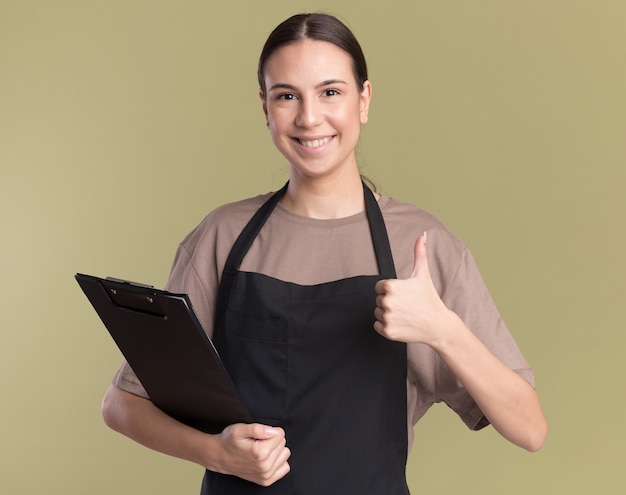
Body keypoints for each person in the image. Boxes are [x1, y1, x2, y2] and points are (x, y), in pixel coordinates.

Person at [102, 12, 547, 494]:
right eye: (287, 95)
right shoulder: (222, 237)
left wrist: (443, 329)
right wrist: (219, 454)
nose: (309, 117)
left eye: (330, 92)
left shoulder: (421, 246)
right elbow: (121, 405)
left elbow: (530, 428)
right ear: (265, 108)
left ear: (364, 100)